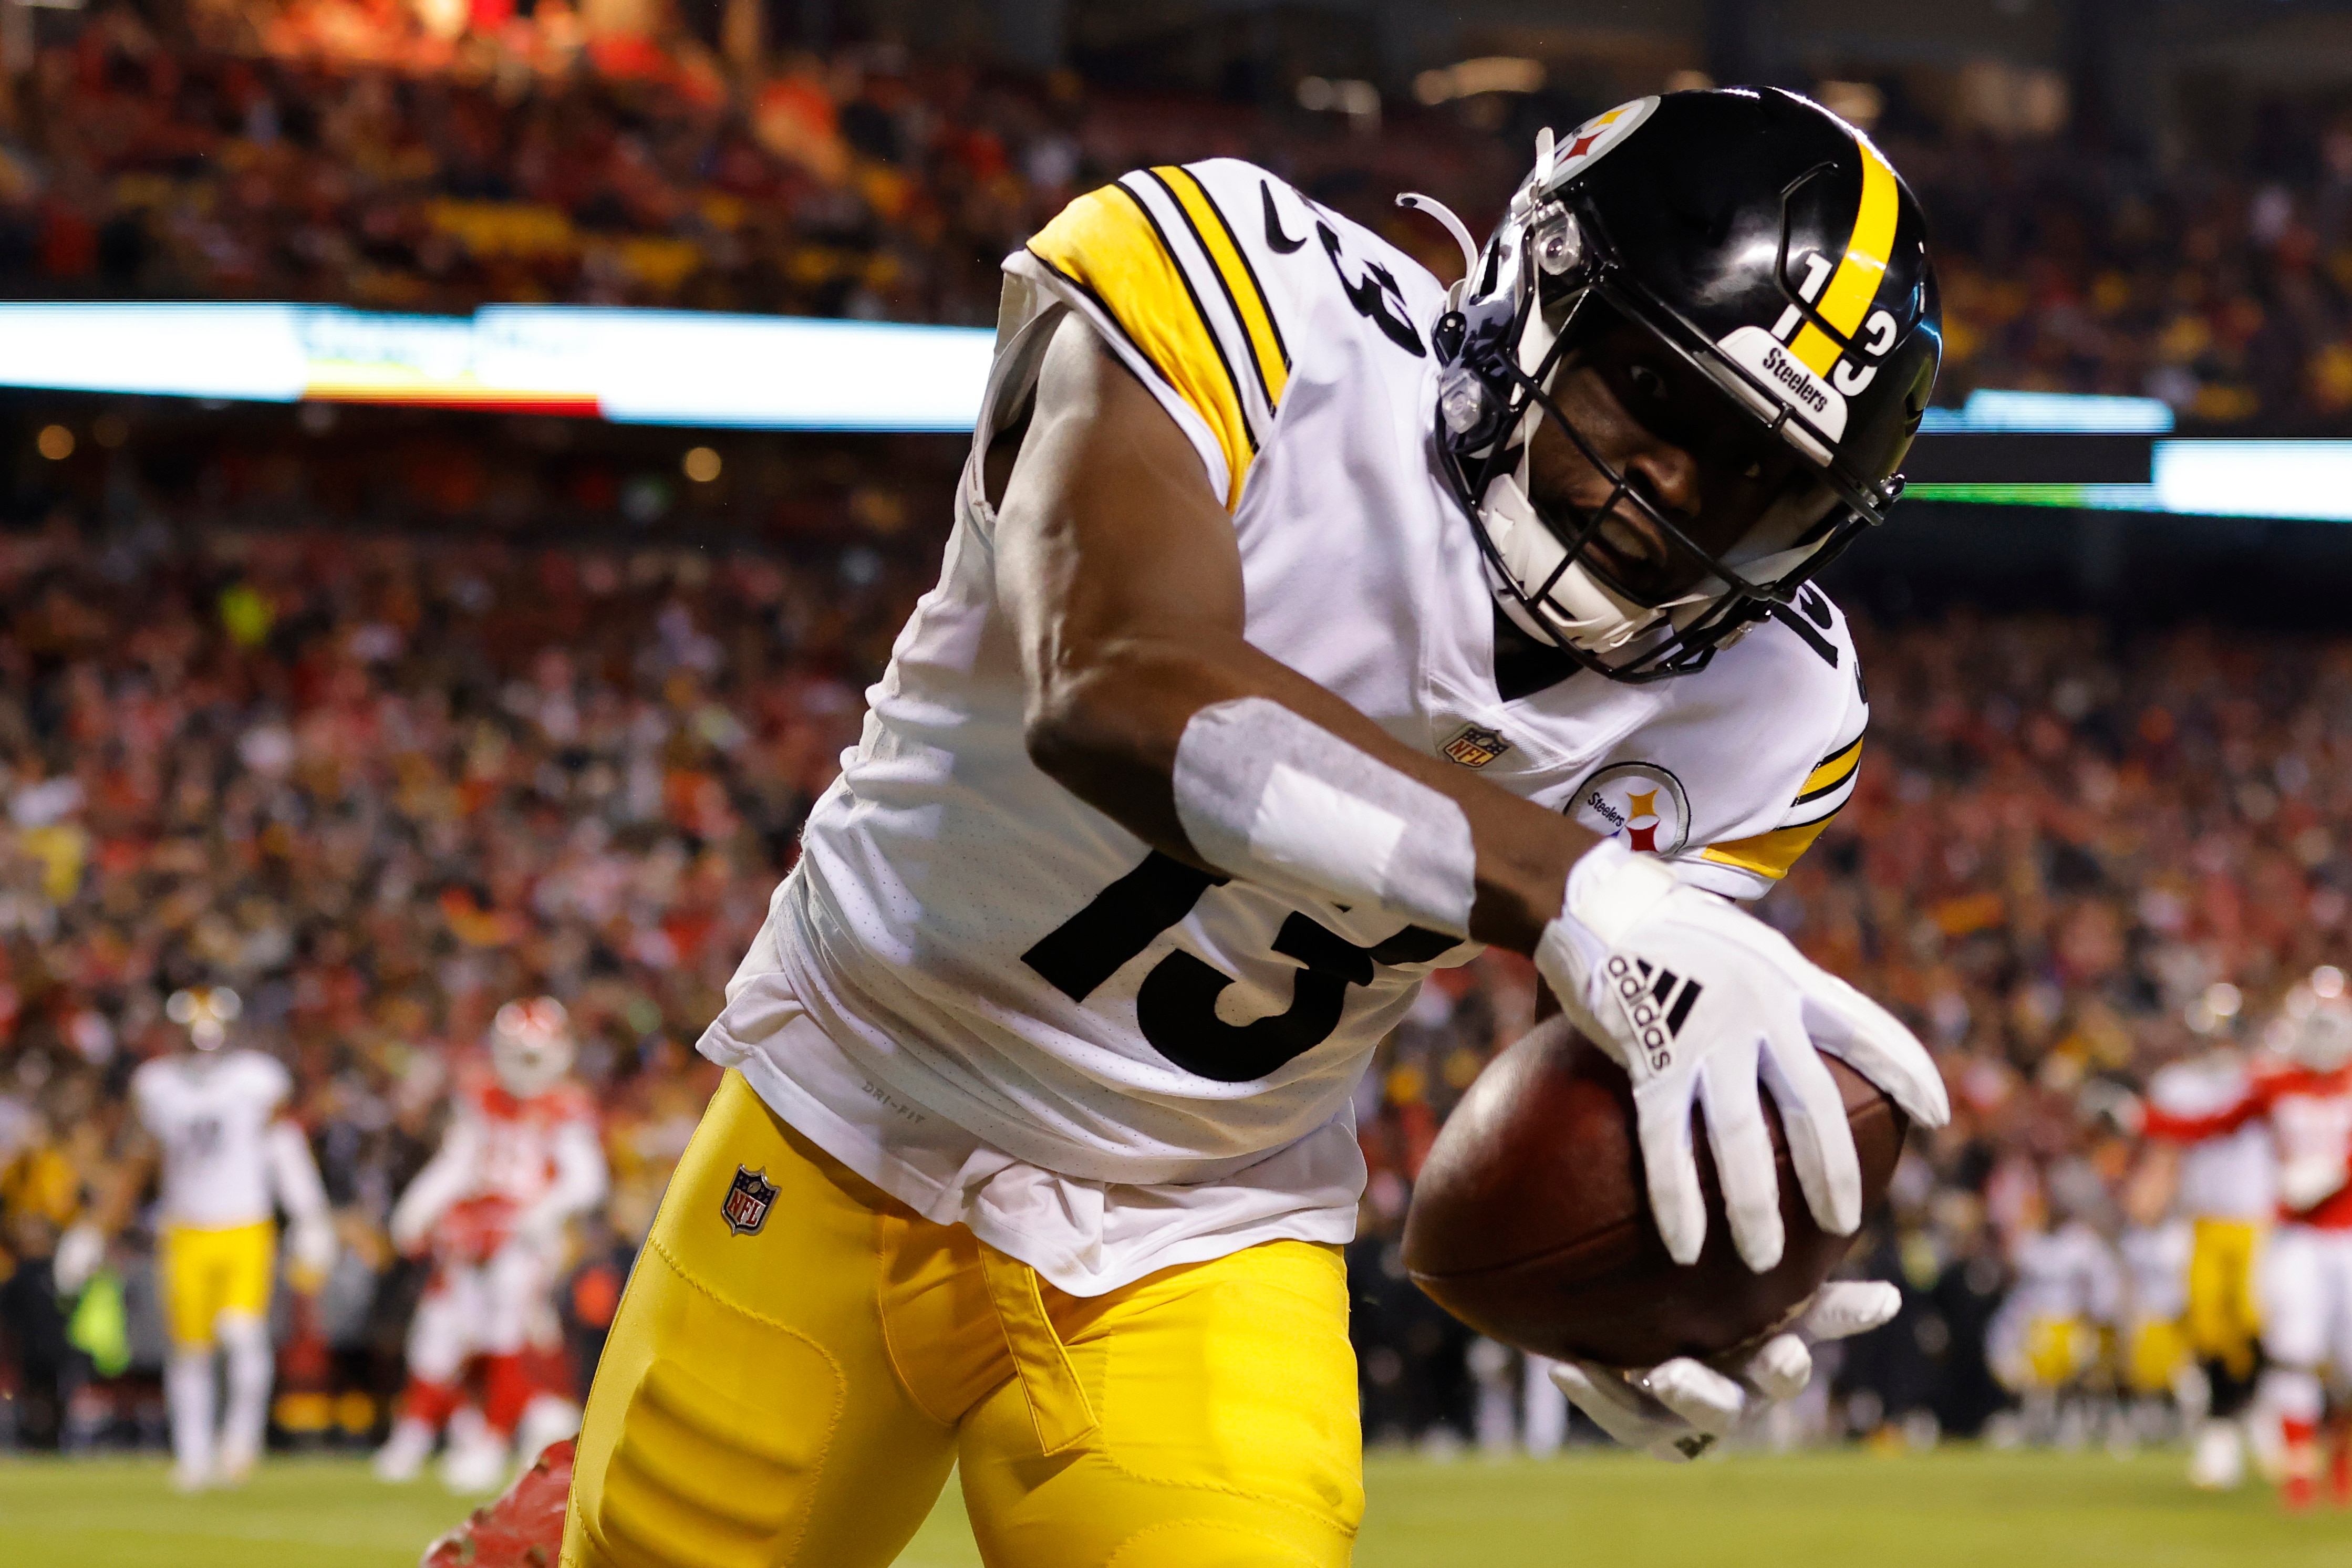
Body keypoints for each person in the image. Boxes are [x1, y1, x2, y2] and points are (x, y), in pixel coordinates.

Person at [540, 89, 1949, 1568]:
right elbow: (1111, 690)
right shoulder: (1235, 293)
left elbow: (1606, 1050)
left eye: (1751, 480)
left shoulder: (1774, 715)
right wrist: (1574, 889)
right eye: (1653, 400)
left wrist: (1644, 1268)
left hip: (1200, 1221)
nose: (1670, 491)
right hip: (848, 1097)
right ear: (1538, 284)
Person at [57, 985, 336, 1489]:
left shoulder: (256, 1081)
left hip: (245, 1226)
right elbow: (137, 1163)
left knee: (242, 1333)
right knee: (189, 1348)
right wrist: (92, 1230)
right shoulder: (158, 1085)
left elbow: (284, 1149)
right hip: (185, 1228)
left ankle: (241, 1443)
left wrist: (310, 1214)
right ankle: (194, 1453)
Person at [375, 997, 608, 1492]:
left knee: (505, 1325)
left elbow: (587, 1180)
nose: (524, 1068)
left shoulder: (564, 1105)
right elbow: (459, 1162)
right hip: (470, 1233)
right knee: (438, 1331)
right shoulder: (481, 1095)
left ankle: (492, 1436)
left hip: (527, 1238)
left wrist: (539, 1215)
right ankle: (418, 1431)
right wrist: (419, 1205)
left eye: (533, 1056)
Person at [2143, 974, 2352, 1509]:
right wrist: (2136, 1118)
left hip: (2342, 1234)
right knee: (2292, 1347)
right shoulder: (2274, 1084)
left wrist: (2340, 1170)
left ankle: (2342, 1461)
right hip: (2294, 1236)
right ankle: (2299, 1473)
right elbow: (2209, 1126)